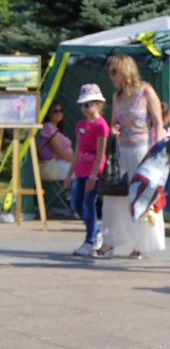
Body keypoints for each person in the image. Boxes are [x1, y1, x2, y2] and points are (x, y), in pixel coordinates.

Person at [96, 55, 166, 260]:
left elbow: (158, 122)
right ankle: (110, 241)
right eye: (110, 72)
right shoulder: (117, 96)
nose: (111, 76)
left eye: (114, 71)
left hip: (142, 150)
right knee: (114, 197)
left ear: (125, 70)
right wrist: (115, 129)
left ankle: (142, 243)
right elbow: (114, 122)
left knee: (141, 196)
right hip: (121, 151)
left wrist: (156, 150)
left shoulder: (146, 91)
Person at [64, 84, 109, 256]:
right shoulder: (80, 125)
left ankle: (90, 240)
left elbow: (100, 153)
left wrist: (93, 176)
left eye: (87, 105)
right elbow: (77, 151)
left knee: (88, 204)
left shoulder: (101, 125)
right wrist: (70, 175)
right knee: (76, 203)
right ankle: (96, 230)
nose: (84, 108)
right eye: (81, 105)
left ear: (97, 104)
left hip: (93, 171)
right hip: (81, 170)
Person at [38, 101, 74, 181]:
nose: (59, 113)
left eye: (61, 111)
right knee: (86, 171)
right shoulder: (48, 127)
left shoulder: (56, 129)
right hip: (54, 165)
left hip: (63, 163)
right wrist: (76, 162)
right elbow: (58, 150)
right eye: (55, 111)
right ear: (48, 114)